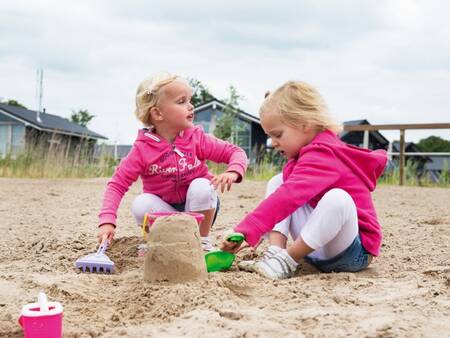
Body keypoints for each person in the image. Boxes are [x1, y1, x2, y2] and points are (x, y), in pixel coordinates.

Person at [221, 81, 387, 279]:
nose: (272, 143)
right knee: (278, 181)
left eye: (278, 134)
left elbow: (289, 196)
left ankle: (286, 260)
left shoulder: (325, 153)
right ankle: (276, 253)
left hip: (352, 253)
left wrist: (247, 229)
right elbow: (286, 193)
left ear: (305, 123)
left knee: (338, 198)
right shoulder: (302, 155)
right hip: (317, 250)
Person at [97, 73, 248, 251]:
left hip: (199, 209)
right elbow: (117, 185)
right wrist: (107, 221)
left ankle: (202, 243)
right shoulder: (142, 150)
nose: (191, 106)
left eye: (190, 100)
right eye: (181, 101)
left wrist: (233, 171)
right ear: (157, 113)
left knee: (202, 185)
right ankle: (163, 243)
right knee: (141, 204)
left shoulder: (196, 138)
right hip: (165, 211)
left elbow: (234, 152)